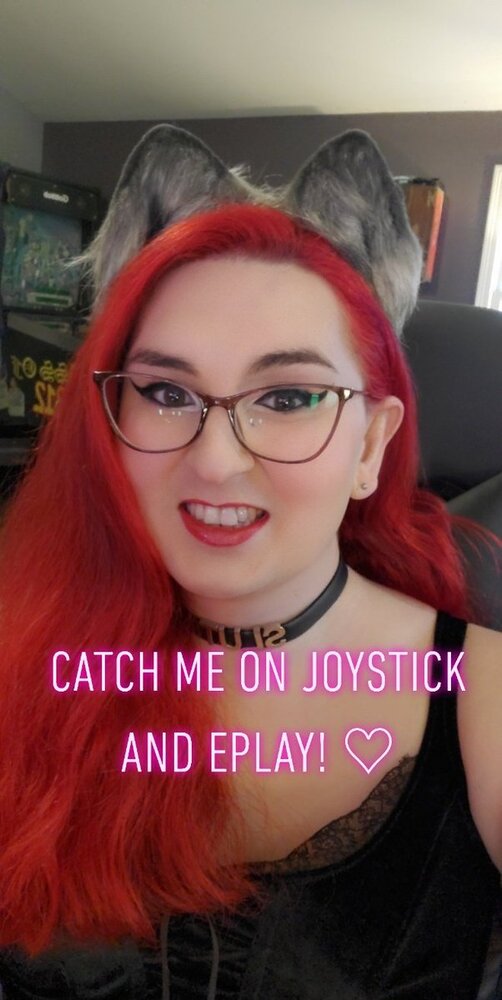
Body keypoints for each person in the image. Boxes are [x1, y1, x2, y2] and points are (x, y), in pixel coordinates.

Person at [0, 126, 501, 1000]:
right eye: (165, 392)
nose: (216, 461)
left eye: (289, 396)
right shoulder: (24, 648)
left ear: (370, 446)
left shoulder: (483, 700)